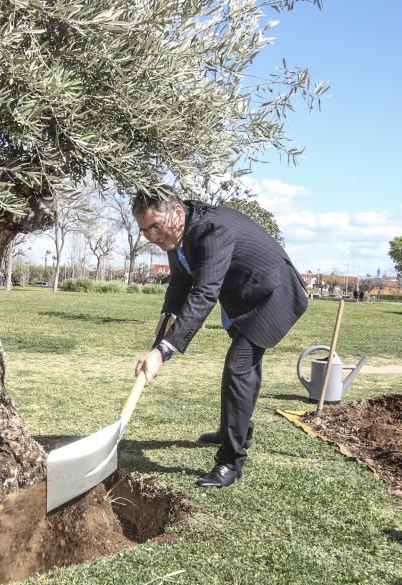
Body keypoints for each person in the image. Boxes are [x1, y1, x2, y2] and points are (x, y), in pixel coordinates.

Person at [132, 187, 308, 488]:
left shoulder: (211, 230)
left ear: (176, 212)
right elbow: (178, 288)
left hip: (273, 294)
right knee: (245, 369)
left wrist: (165, 351)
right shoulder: (178, 235)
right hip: (245, 296)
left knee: (239, 367)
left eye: (156, 226)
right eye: (145, 230)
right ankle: (237, 431)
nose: (153, 237)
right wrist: (158, 344)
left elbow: (203, 294)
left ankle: (231, 461)